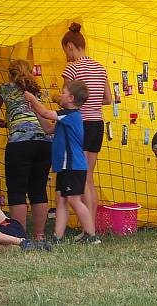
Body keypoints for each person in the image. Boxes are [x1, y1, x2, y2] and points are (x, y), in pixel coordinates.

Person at [25, 81, 101, 243]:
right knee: (61, 199)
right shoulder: (65, 118)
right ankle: (57, 237)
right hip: (65, 166)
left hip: (73, 165)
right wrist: (36, 112)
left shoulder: (70, 115)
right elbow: (48, 128)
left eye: (63, 92)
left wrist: (32, 99)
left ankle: (91, 234)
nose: (60, 95)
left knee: (73, 199)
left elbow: (46, 112)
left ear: (71, 98)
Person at [0, 60, 52, 240]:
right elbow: (30, 115)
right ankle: (40, 235)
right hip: (44, 142)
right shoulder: (36, 89)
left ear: (10, 73)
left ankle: (20, 235)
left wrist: (0, 119)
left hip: (19, 143)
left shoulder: (4, 88)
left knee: (17, 190)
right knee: (38, 189)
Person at [60, 23, 111, 226]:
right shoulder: (100, 67)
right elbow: (108, 98)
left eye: (66, 51)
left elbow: (65, 99)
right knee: (89, 177)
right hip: (97, 124)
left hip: (79, 125)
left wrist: (55, 96)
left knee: (80, 178)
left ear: (70, 46)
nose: (67, 56)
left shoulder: (72, 68)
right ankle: (91, 227)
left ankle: (87, 226)